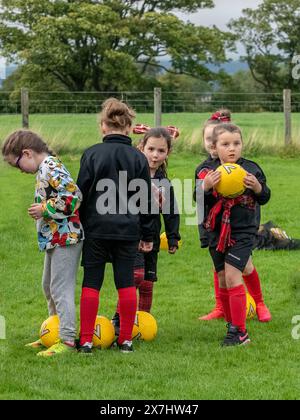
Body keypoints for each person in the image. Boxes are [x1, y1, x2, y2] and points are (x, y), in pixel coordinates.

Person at [76, 98, 154, 354]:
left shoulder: (91, 154)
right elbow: (145, 200)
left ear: (103, 127)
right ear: (129, 128)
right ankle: (126, 341)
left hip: (96, 229)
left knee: (92, 282)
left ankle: (86, 341)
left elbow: (81, 195)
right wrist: (148, 234)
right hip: (128, 230)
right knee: (125, 284)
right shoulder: (138, 158)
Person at [1, 130, 83, 356]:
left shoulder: (51, 166)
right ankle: (52, 333)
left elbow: (74, 197)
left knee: (60, 289)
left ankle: (66, 340)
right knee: (48, 286)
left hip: (66, 238)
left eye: (17, 164)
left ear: (27, 153)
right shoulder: (45, 168)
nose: (19, 170)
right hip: (54, 238)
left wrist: (44, 209)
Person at [198, 123, 271, 346]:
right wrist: (205, 187)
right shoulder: (207, 171)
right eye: (226, 144)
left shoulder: (251, 169)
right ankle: (232, 325)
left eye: (236, 143)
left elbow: (265, 197)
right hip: (216, 232)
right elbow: (199, 201)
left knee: (232, 275)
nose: (232, 149)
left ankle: (240, 332)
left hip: (243, 232)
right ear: (214, 147)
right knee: (222, 278)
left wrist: (258, 187)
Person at [111, 127, 181, 333]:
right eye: (151, 149)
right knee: (134, 277)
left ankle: (143, 322)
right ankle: (119, 318)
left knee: (148, 282)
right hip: (131, 236)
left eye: (161, 151)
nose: (155, 155)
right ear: (141, 148)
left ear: (167, 153)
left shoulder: (164, 183)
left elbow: (171, 212)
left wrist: (173, 237)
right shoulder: (130, 176)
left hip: (153, 238)